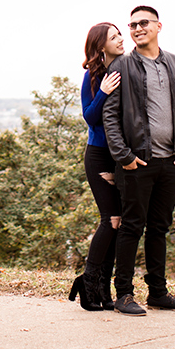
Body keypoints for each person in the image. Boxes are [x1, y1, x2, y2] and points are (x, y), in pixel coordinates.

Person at [102, 5, 175, 316]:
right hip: (136, 164)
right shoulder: (121, 67)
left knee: (159, 228)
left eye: (143, 23)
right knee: (131, 227)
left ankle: (158, 292)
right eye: (132, 25)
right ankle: (124, 294)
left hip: (170, 162)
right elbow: (110, 117)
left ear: (158, 26)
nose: (137, 28)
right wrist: (125, 157)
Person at [69, 22, 124, 311]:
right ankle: (88, 283)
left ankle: (103, 289)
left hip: (120, 156)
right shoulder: (93, 77)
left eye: (120, 34)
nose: (121, 39)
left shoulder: (127, 69)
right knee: (110, 220)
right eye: (114, 36)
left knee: (119, 224)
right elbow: (90, 118)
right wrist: (102, 91)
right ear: (101, 45)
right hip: (98, 155)